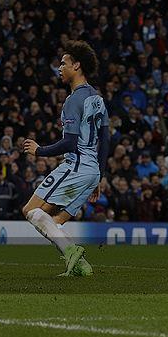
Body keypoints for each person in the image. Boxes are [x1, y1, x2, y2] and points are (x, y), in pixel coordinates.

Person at [21, 41, 109, 277]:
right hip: (91, 170)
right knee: (55, 221)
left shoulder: (73, 100)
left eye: (63, 63)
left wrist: (39, 151)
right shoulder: (97, 98)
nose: (59, 68)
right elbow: (105, 140)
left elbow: (70, 143)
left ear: (76, 65)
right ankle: (80, 266)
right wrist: (98, 176)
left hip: (76, 165)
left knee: (31, 210)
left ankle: (71, 251)